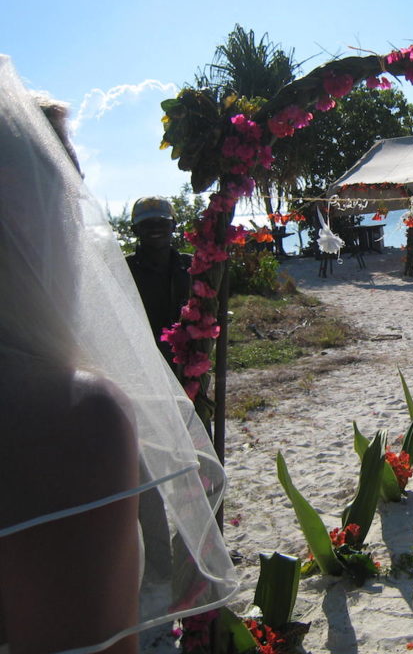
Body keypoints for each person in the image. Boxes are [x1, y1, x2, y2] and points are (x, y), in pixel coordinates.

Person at [0, 55, 237, 653]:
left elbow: (201, 318)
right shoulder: (70, 417)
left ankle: (156, 579)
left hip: (165, 380)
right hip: (136, 385)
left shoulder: (184, 270)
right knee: (145, 497)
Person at [126, 197, 193, 366]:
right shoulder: (123, 269)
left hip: (187, 361)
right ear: (135, 229)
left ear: (174, 226)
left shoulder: (193, 266)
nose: (155, 228)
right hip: (139, 361)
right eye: (147, 224)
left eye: (162, 222)